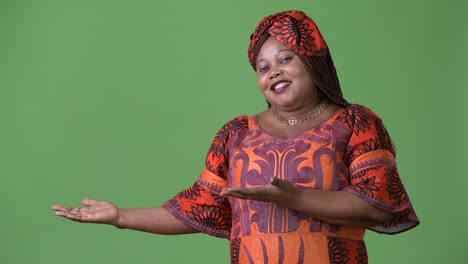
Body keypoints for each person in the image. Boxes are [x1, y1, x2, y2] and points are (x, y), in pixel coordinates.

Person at [52, 10, 419, 263]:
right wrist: (120, 216)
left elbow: (377, 203)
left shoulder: (355, 123)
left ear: (313, 59)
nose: (273, 71)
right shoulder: (237, 135)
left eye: (285, 58)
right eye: (263, 67)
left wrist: (295, 198)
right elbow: (198, 209)